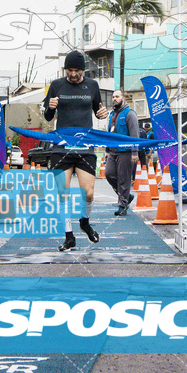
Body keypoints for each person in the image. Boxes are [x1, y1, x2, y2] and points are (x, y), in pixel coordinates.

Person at [43, 50, 108, 251]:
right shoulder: (56, 85)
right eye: (69, 70)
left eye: (77, 71)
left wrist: (102, 113)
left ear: (83, 70)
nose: (73, 74)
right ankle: (69, 236)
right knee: (62, 193)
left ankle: (85, 222)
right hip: (61, 147)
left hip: (84, 146)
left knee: (88, 193)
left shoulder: (92, 86)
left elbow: (99, 112)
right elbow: (47, 117)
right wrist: (51, 107)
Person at [105, 90, 140, 216]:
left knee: (124, 179)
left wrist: (135, 152)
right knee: (109, 174)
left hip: (125, 151)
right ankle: (126, 196)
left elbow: (135, 134)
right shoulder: (112, 114)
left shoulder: (130, 114)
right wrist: (107, 150)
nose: (114, 99)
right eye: (113, 97)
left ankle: (122, 205)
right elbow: (109, 133)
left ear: (123, 98)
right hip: (113, 151)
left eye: (117, 96)